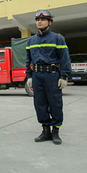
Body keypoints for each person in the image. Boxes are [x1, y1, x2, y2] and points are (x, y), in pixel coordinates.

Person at [25, 10, 71, 145]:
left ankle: (55, 131)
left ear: (49, 22)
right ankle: (45, 131)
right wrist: (29, 76)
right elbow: (28, 60)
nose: (39, 21)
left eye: (43, 19)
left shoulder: (57, 38)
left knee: (55, 103)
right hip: (37, 76)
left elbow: (65, 59)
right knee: (40, 104)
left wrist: (64, 76)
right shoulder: (31, 40)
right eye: (37, 19)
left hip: (52, 76)